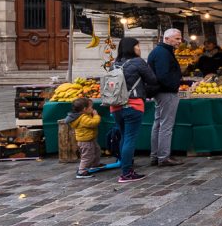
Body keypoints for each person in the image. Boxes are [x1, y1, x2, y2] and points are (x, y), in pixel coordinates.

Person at [111, 38, 157, 183]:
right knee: (130, 138)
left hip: (116, 106)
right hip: (133, 104)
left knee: (124, 136)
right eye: (138, 45)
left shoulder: (114, 64)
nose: (139, 48)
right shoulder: (138, 62)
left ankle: (125, 166)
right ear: (133, 47)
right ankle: (126, 173)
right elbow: (152, 80)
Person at [147, 28, 184, 167]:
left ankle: (155, 155)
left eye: (180, 39)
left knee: (158, 123)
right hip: (166, 92)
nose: (180, 41)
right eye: (177, 39)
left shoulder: (160, 51)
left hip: (160, 92)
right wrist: (174, 85)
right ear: (167, 39)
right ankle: (163, 157)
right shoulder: (163, 53)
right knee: (166, 125)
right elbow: (163, 75)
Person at [65, 97, 101, 180]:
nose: (92, 109)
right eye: (91, 107)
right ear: (84, 109)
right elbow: (93, 123)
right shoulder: (83, 118)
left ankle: (94, 165)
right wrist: (96, 115)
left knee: (96, 150)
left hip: (90, 139)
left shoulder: (83, 115)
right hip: (86, 141)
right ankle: (81, 171)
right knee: (87, 156)